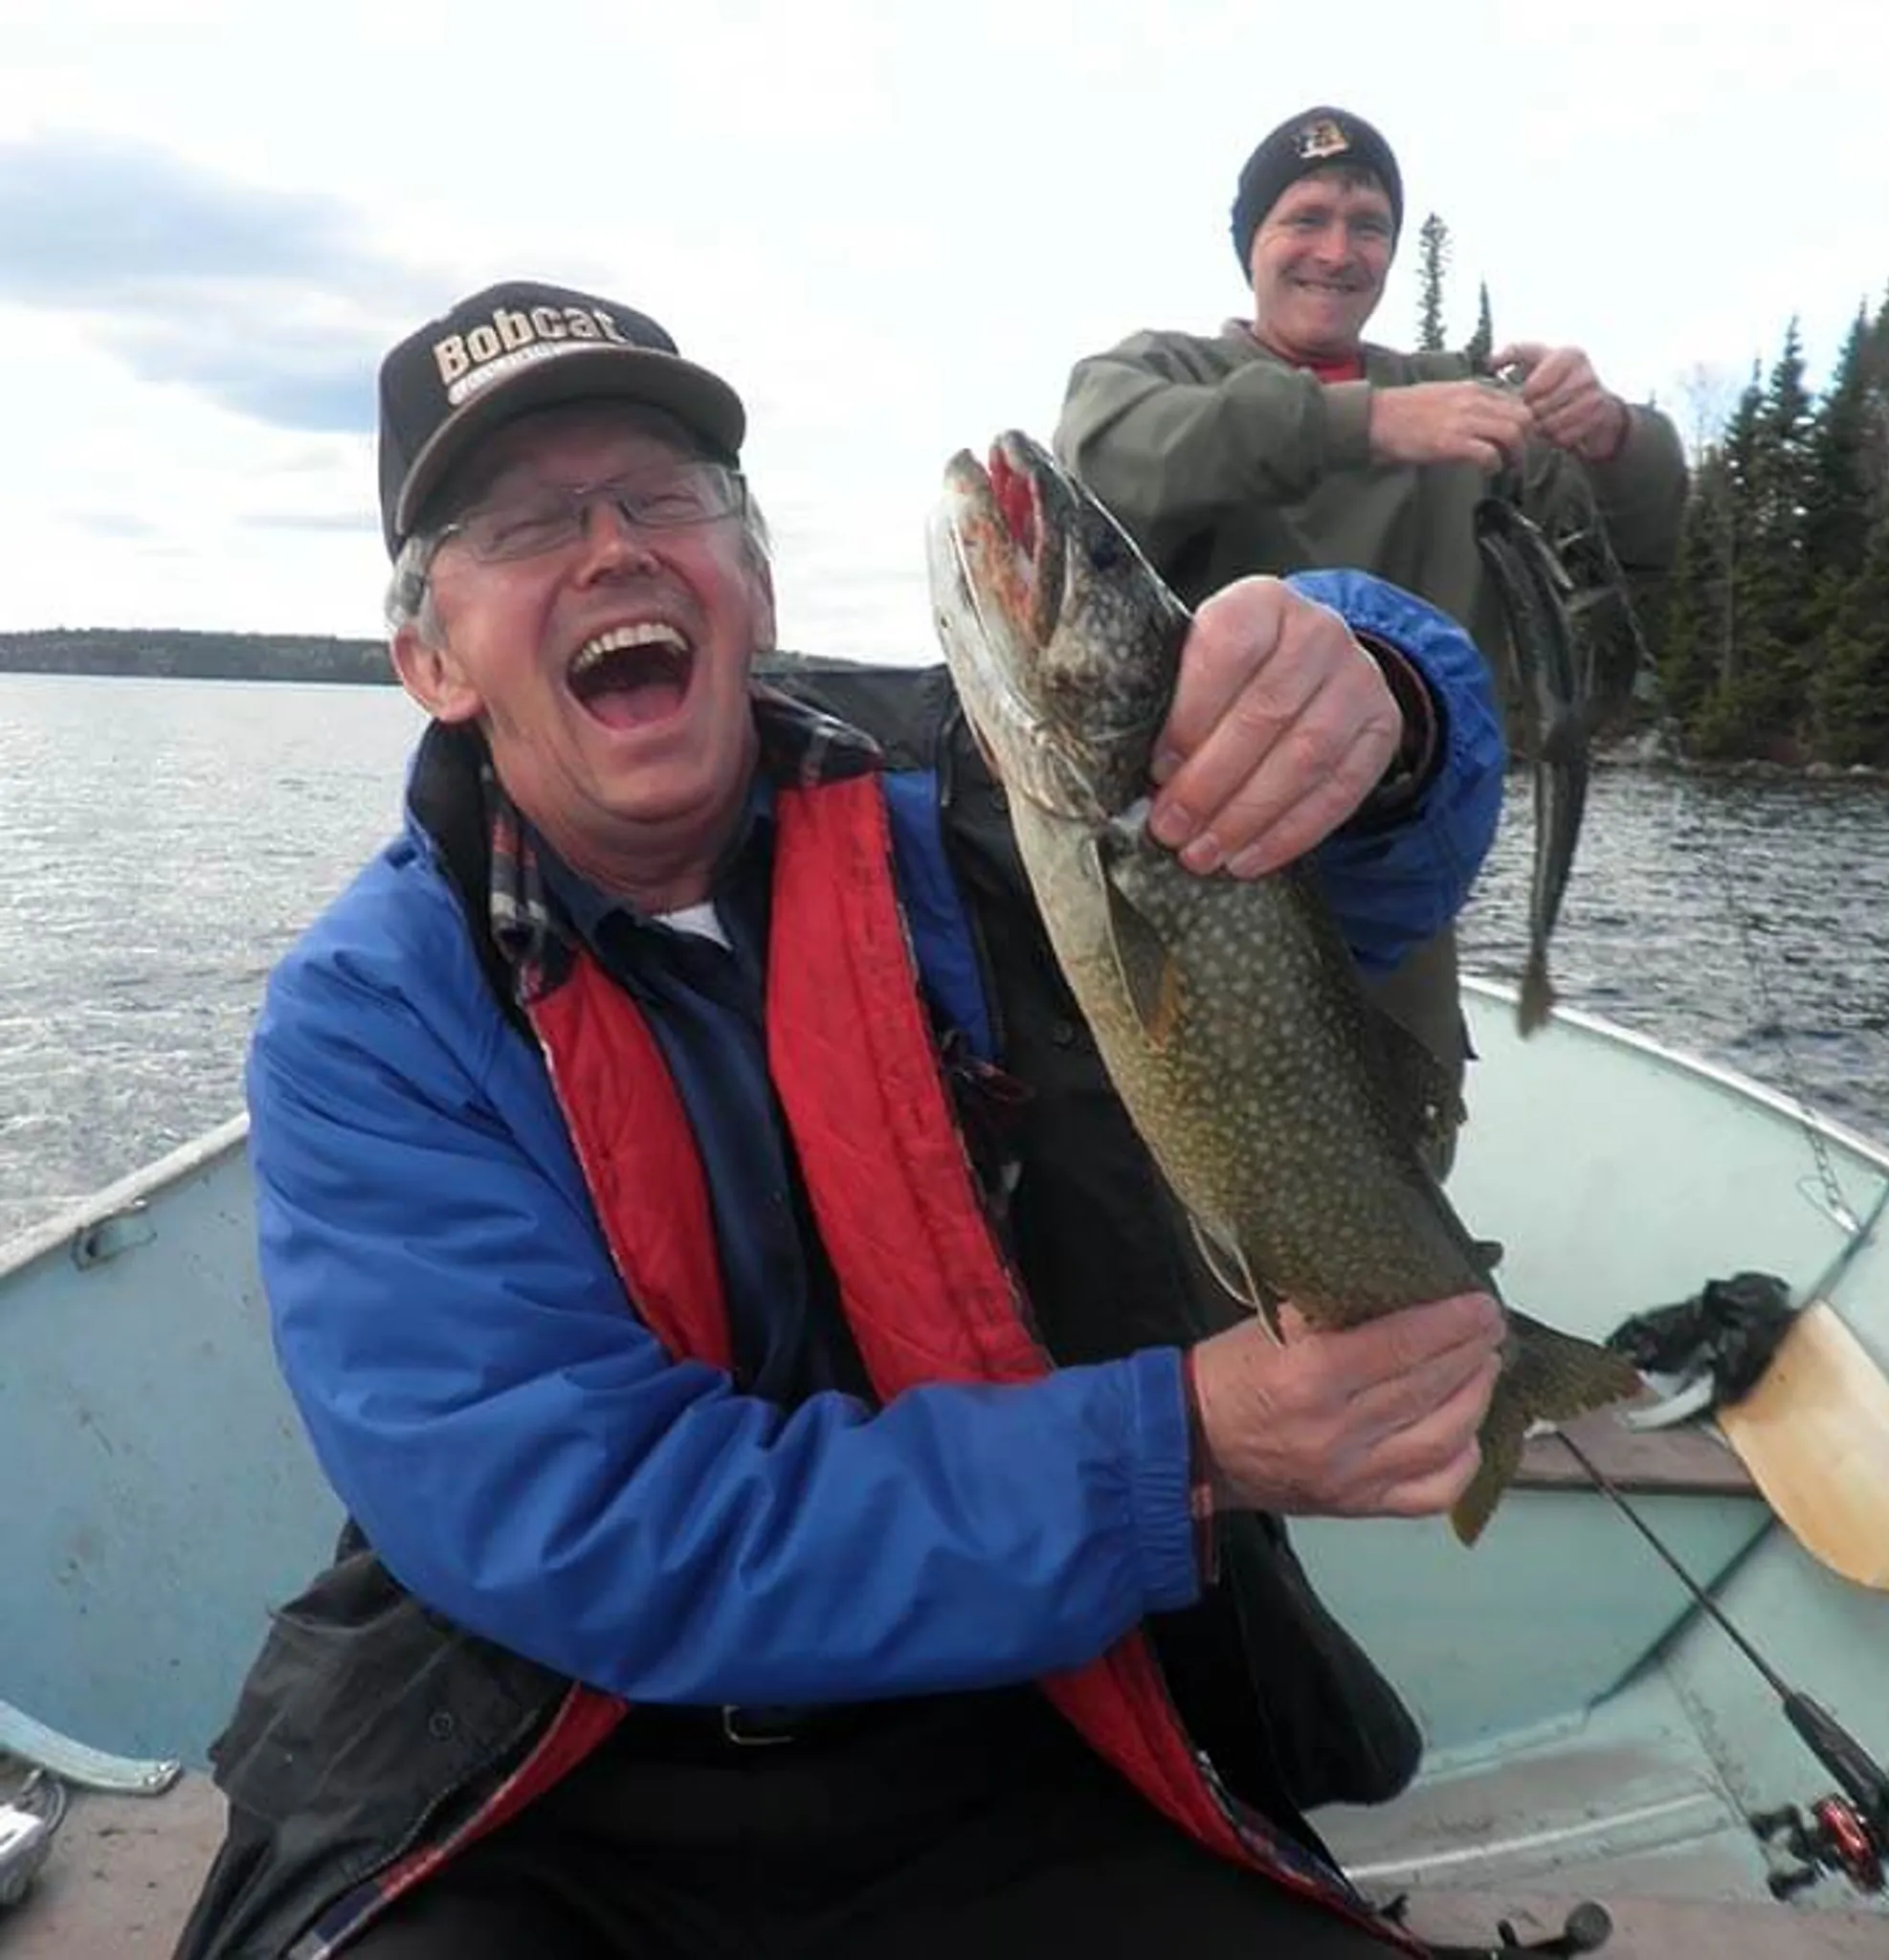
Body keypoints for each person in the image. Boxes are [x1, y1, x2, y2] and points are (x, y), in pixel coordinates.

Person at [173, 278, 1512, 1960]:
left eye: (664, 499)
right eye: (522, 522)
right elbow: (584, 1521)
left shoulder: (977, 810)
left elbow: (1317, 856)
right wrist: (1180, 1445)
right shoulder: (367, 1021)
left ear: (753, 578)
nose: (611, 548)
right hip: (546, 1771)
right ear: (428, 656)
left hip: (1022, 1718)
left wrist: (1379, 701)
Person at [1054, 105, 1688, 1132]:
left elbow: (1632, 550)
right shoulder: (1164, 374)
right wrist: (1359, 421)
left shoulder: (1462, 401)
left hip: (1396, 896)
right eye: (1302, 218)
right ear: (1249, 244)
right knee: (1159, 1166)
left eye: (1368, 224)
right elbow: (1099, 457)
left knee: (1387, 1154)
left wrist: (1614, 436)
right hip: (1181, 878)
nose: (1336, 251)